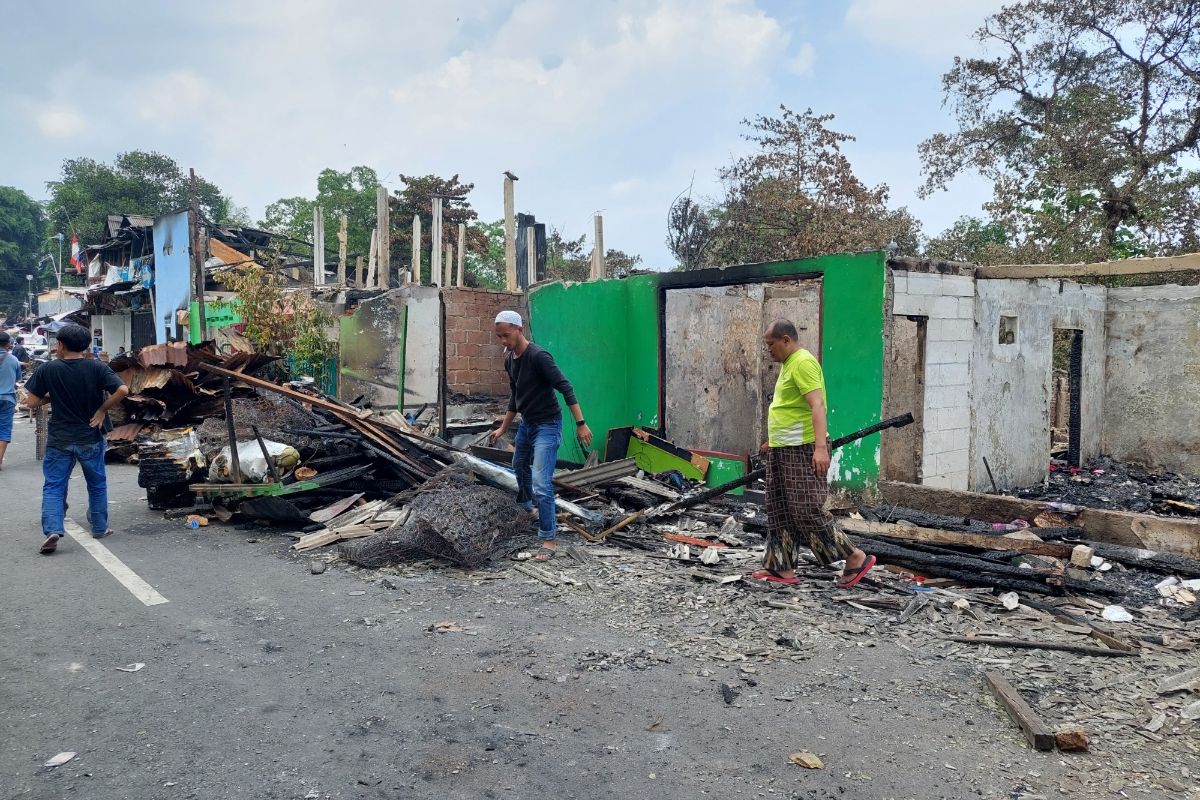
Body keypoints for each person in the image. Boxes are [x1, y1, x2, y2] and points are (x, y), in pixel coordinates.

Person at [755, 319, 875, 588]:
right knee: (779, 509)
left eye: (770, 344)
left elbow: (817, 405)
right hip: (783, 449)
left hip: (802, 450)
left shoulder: (803, 363)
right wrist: (771, 441)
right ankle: (781, 568)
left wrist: (820, 448)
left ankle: (854, 557)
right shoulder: (789, 365)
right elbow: (789, 408)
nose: (768, 350)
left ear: (786, 340)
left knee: (806, 509)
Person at [487, 310, 592, 561]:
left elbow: (565, 387)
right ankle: (527, 508)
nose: (503, 341)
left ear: (519, 329)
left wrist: (581, 423)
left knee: (542, 483)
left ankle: (549, 538)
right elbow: (516, 396)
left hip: (548, 425)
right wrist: (503, 427)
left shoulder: (539, 356)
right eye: (499, 336)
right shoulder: (510, 359)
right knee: (518, 464)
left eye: (506, 335)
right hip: (527, 423)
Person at [23, 323, 129, 554]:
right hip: (90, 436)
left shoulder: (48, 370)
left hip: (60, 439)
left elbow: (31, 402)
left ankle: (52, 528)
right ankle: (100, 527)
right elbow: (123, 390)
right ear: (87, 346)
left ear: (60, 345)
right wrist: (101, 411)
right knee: (97, 484)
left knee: (54, 485)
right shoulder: (97, 368)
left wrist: (52, 398)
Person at [0, 332, 22, 469]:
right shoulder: (13, 359)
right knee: (4, 430)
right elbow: (18, 379)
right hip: (7, 399)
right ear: (8, 344)